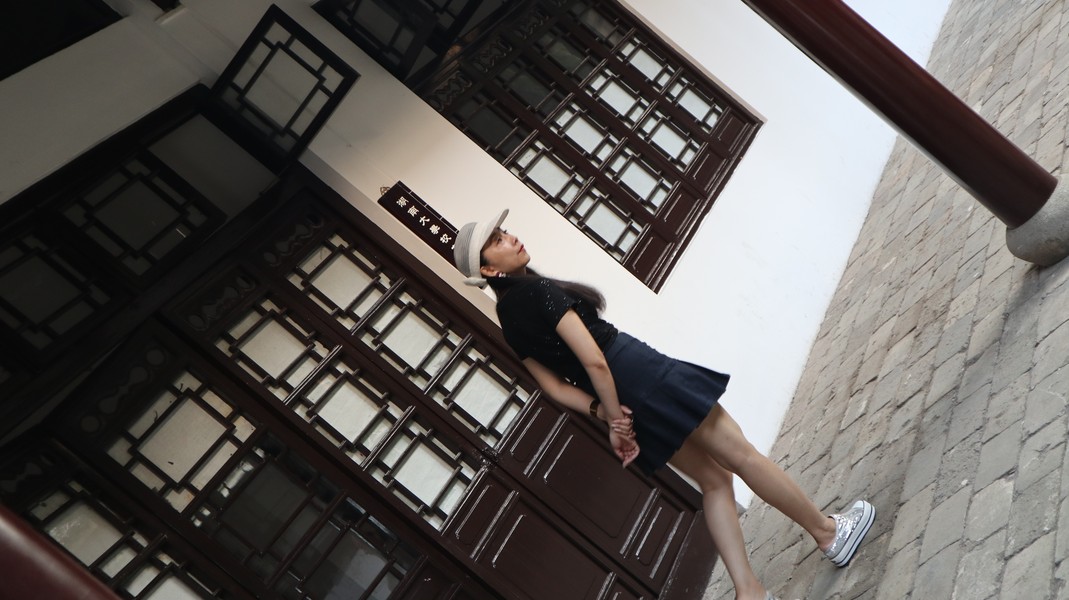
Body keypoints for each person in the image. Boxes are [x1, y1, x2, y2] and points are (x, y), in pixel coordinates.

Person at [452, 210, 875, 600]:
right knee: (741, 455)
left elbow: (556, 388)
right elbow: (594, 359)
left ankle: (749, 592)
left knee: (714, 481)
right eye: (498, 240)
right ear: (488, 270)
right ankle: (828, 534)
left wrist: (608, 415)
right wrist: (616, 418)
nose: (511, 238)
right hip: (637, 372)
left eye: (504, 231)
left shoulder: (509, 322)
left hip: (619, 396)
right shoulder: (537, 291)